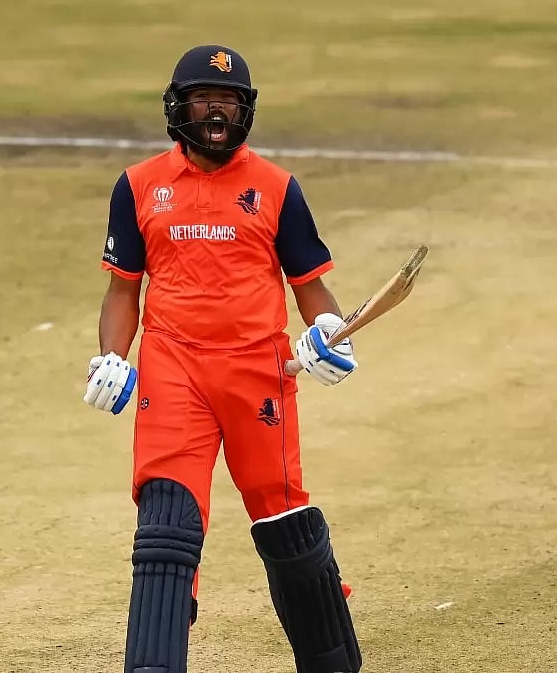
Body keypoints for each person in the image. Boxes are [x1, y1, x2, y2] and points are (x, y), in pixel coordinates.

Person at [83, 44, 363, 673]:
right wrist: (111, 357)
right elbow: (123, 287)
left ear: (247, 111)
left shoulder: (276, 189)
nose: (217, 112)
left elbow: (311, 286)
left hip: (258, 372)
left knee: (284, 520)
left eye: (230, 101)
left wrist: (330, 334)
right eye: (205, 99)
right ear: (178, 106)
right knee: (166, 524)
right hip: (172, 367)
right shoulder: (138, 186)